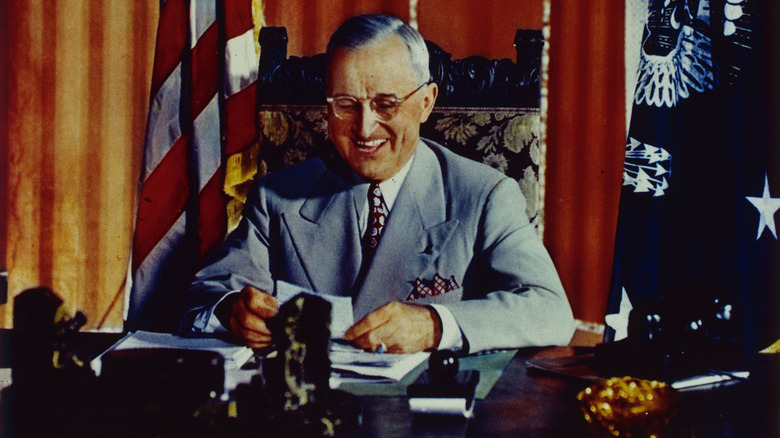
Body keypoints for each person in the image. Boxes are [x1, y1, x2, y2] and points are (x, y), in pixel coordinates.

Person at [176, 14, 575, 354]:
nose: (365, 128)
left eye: (386, 104)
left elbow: (550, 310)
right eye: (345, 105)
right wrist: (232, 312)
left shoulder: (483, 196)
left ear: (426, 102)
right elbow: (207, 294)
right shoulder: (279, 197)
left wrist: (436, 325)